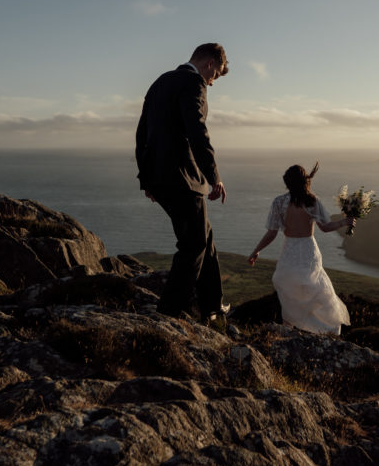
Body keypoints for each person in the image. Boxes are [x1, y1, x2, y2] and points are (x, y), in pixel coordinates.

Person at [135, 42, 229, 321]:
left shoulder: (160, 81)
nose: (212, 83)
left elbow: (142, 134)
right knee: (193, 245)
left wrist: (147, 179)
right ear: (210, 63)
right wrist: (214, 177)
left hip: (159, 178)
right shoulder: (194, 83)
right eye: (216, 75)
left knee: (203, 235)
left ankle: (212, 304)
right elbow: (197, 132)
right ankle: (169, 313)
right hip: (183, 178)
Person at [247, 163, 355, 335]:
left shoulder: (279, 202)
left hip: (289, 250)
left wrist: (256, 251)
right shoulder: (312, 201)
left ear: (288, 183)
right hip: (308, 250)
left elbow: (271, 233)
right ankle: (323, 329)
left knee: (288, 286)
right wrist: (344, 222)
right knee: (312, 288)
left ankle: (288, 329)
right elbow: (325, 227)